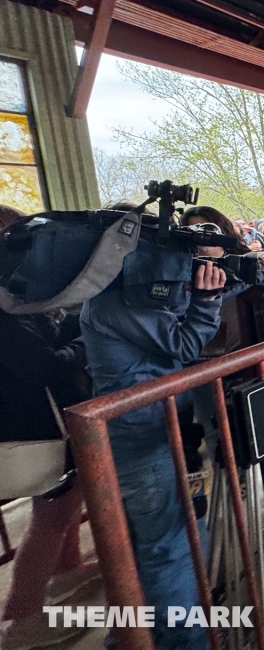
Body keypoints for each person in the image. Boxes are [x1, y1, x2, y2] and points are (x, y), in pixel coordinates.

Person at [80, 220, 228, 650]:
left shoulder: (119, 296)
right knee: (168, 547)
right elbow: (183, 344)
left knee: (151, 543)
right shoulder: (117, 305)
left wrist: (227, 283)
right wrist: (207, 301)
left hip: (146, 433)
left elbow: (174, 309)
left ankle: (140, 637)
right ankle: (187, 642)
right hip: (141, 439)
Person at [0, 206, 99, 650]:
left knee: (58, 512)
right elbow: (41, 365)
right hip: (35, 426)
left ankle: (62, 580)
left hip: (39, 421)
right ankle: (19, 620)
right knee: (50, 519)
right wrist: (87, 340)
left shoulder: (16, 295)